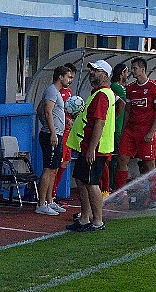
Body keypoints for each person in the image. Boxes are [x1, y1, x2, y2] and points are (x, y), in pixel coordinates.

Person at [65, 60, 115, 232]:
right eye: (92, 70)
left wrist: (92, 148)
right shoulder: (98, 93)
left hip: (95, 148)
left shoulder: (102, 95)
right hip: (88, 146)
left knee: (92, 183)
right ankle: (85, 218)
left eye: (96, 70)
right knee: (81, 179)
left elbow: (99, 123)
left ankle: (97, 221)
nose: (92, 73)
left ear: (105, 75)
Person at [114, 58, 156, 197]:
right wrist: (124, 131)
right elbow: (128, 111)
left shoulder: (154, 87)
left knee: (149, 164)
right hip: (131, 130)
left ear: (143, 69)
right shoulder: (130, 88)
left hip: (146, 131)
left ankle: (153, 195)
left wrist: (151, 132)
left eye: (135, 68)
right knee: (122, 159)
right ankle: (120, 194)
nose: (132, 71)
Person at [35, 66, 72, 215]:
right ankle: (41, 203)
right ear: (60, 77)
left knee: (54, 168)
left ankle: (50, 201)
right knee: (48, 169)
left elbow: (40, 109)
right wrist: (51, 131)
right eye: (68, 77)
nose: (69, 80)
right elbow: (46, 111)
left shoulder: (55, 92)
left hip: (57, 134)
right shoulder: (51, 90)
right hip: (52, 135)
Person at [52, 63, 78, 202]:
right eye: (69, 77)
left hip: (69, 133)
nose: (71, 80)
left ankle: (53, 194)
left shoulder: (69, 92)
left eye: (72, 77)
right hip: (60, 132)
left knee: (65, 163)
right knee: (56, 165)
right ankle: (50, 195)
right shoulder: (55, 92)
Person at [107, 63, 128, 191]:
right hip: (116, 128)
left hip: (118, 126)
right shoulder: (117, 87)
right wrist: (114, 119)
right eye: (126, 72)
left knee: (115, 157)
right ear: (121, 73)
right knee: (115, 157)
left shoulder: (118, 86)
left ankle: (112, 184)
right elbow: (124, 104)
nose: (127, 75)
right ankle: (113, 185)